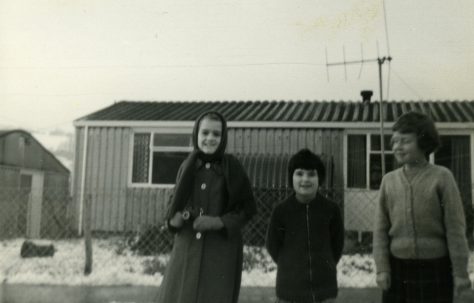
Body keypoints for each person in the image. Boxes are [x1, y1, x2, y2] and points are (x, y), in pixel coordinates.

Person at [157, 111, 257, 303]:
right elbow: (173, 204)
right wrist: (174, 220)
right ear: (196, 134)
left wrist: (219, 222)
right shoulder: (187, 166)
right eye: (205, 133)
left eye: (216, 134)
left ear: (223, 137)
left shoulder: (232, 167)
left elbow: (247, 209)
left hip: (220, 251)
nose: (210, 138)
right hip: (187, 248)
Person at [373, 111, 471, 303]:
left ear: (424, 142)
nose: (397, 147)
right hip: (397, 269)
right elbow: (380, 230)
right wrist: (382, 268)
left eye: (405, 141)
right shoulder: (388, 181)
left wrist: (460, 273)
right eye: (394, 141)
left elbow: (455, 229)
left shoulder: (442, 177)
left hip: (435, 270)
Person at [266, 148, 344, 303]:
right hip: (289, 289)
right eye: (299, 173)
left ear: (320, 178)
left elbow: (337, 245)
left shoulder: (331, 210)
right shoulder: (281, 211)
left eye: (311, 174)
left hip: (324, 289)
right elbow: (273, 245)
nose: (305, 179)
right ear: (291, 178)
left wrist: (323, 264)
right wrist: (289, 264)